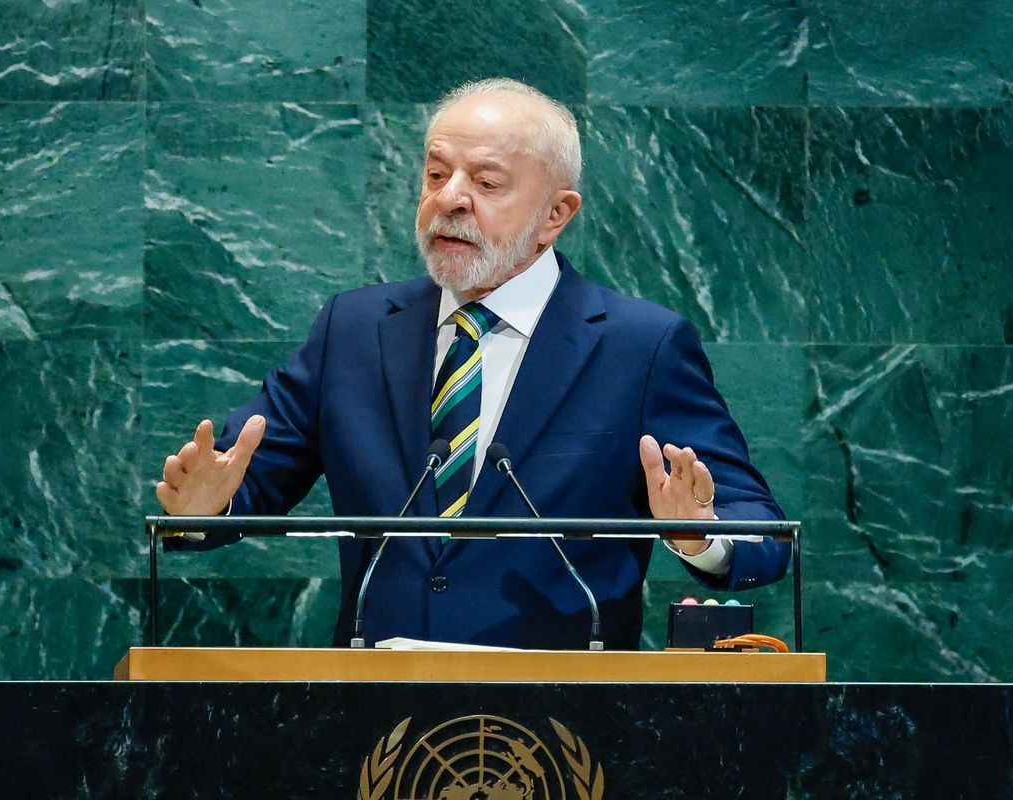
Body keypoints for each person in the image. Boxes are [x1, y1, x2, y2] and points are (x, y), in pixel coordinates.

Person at [156, 78, 790, 649]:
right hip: (374, 712)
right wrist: (203, 509)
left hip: (564, 717)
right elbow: (241, 480)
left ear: (555, 214)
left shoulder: (640, 347)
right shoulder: (352, 329)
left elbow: (763, 532)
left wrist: (700, 534)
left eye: (486, 184)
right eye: (436, 175)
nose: (450, 199)